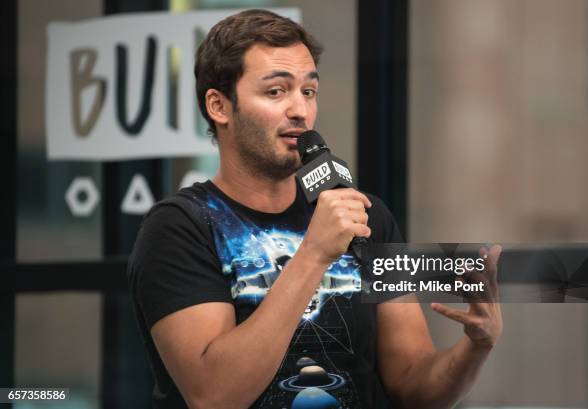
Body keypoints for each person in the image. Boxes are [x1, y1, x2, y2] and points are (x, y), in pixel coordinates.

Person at [127, 9, 503, 409]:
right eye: (276, 91)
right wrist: (313, 254)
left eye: (308, 91)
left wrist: (475, 348)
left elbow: (413, 387)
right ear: (219, 107)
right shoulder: (181, 227)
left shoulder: (365, 216)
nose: (300, 111)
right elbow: (215, 396)